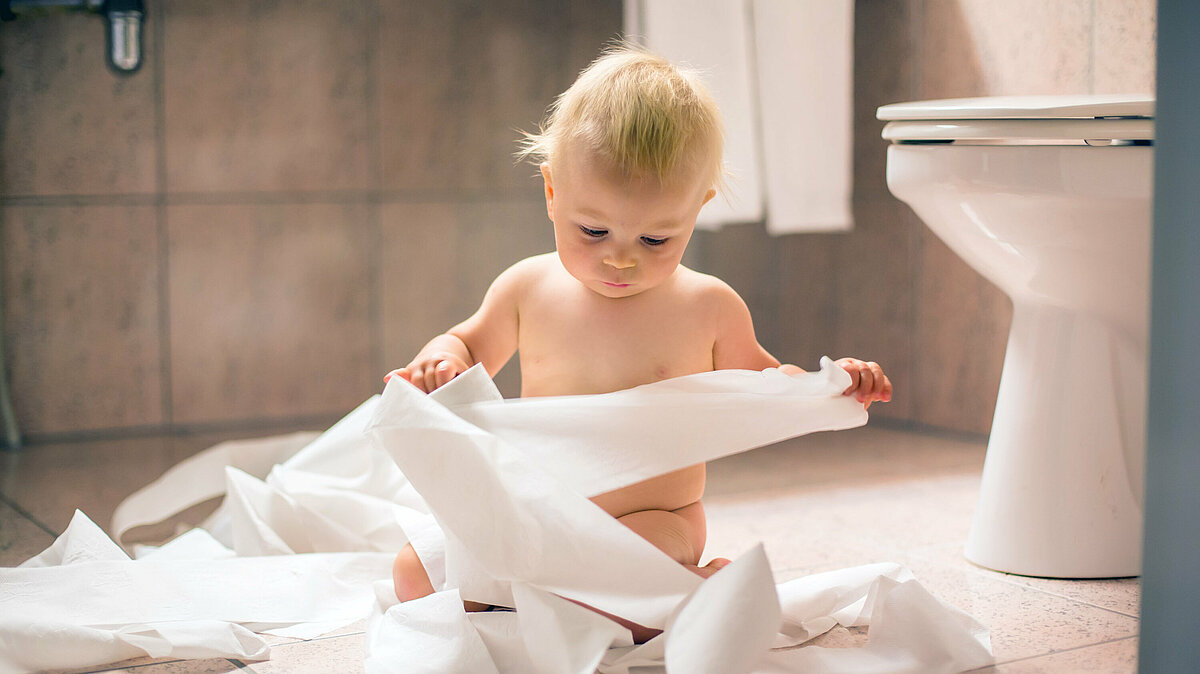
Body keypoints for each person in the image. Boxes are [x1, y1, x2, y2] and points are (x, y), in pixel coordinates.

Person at [384, 44, 891, 641]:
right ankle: (565, 592)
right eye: (593, 230)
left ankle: (703, 583)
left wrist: (833, 386)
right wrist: (440, 359)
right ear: (552, 193)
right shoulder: (527, 287)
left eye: (655, 239)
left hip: (655, 519)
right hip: (538, 510)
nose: (620, 257)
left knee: (610, 602)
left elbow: (767, 385)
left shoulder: (707, 306)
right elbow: (467, 345)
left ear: (695, 210)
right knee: (414, 577)